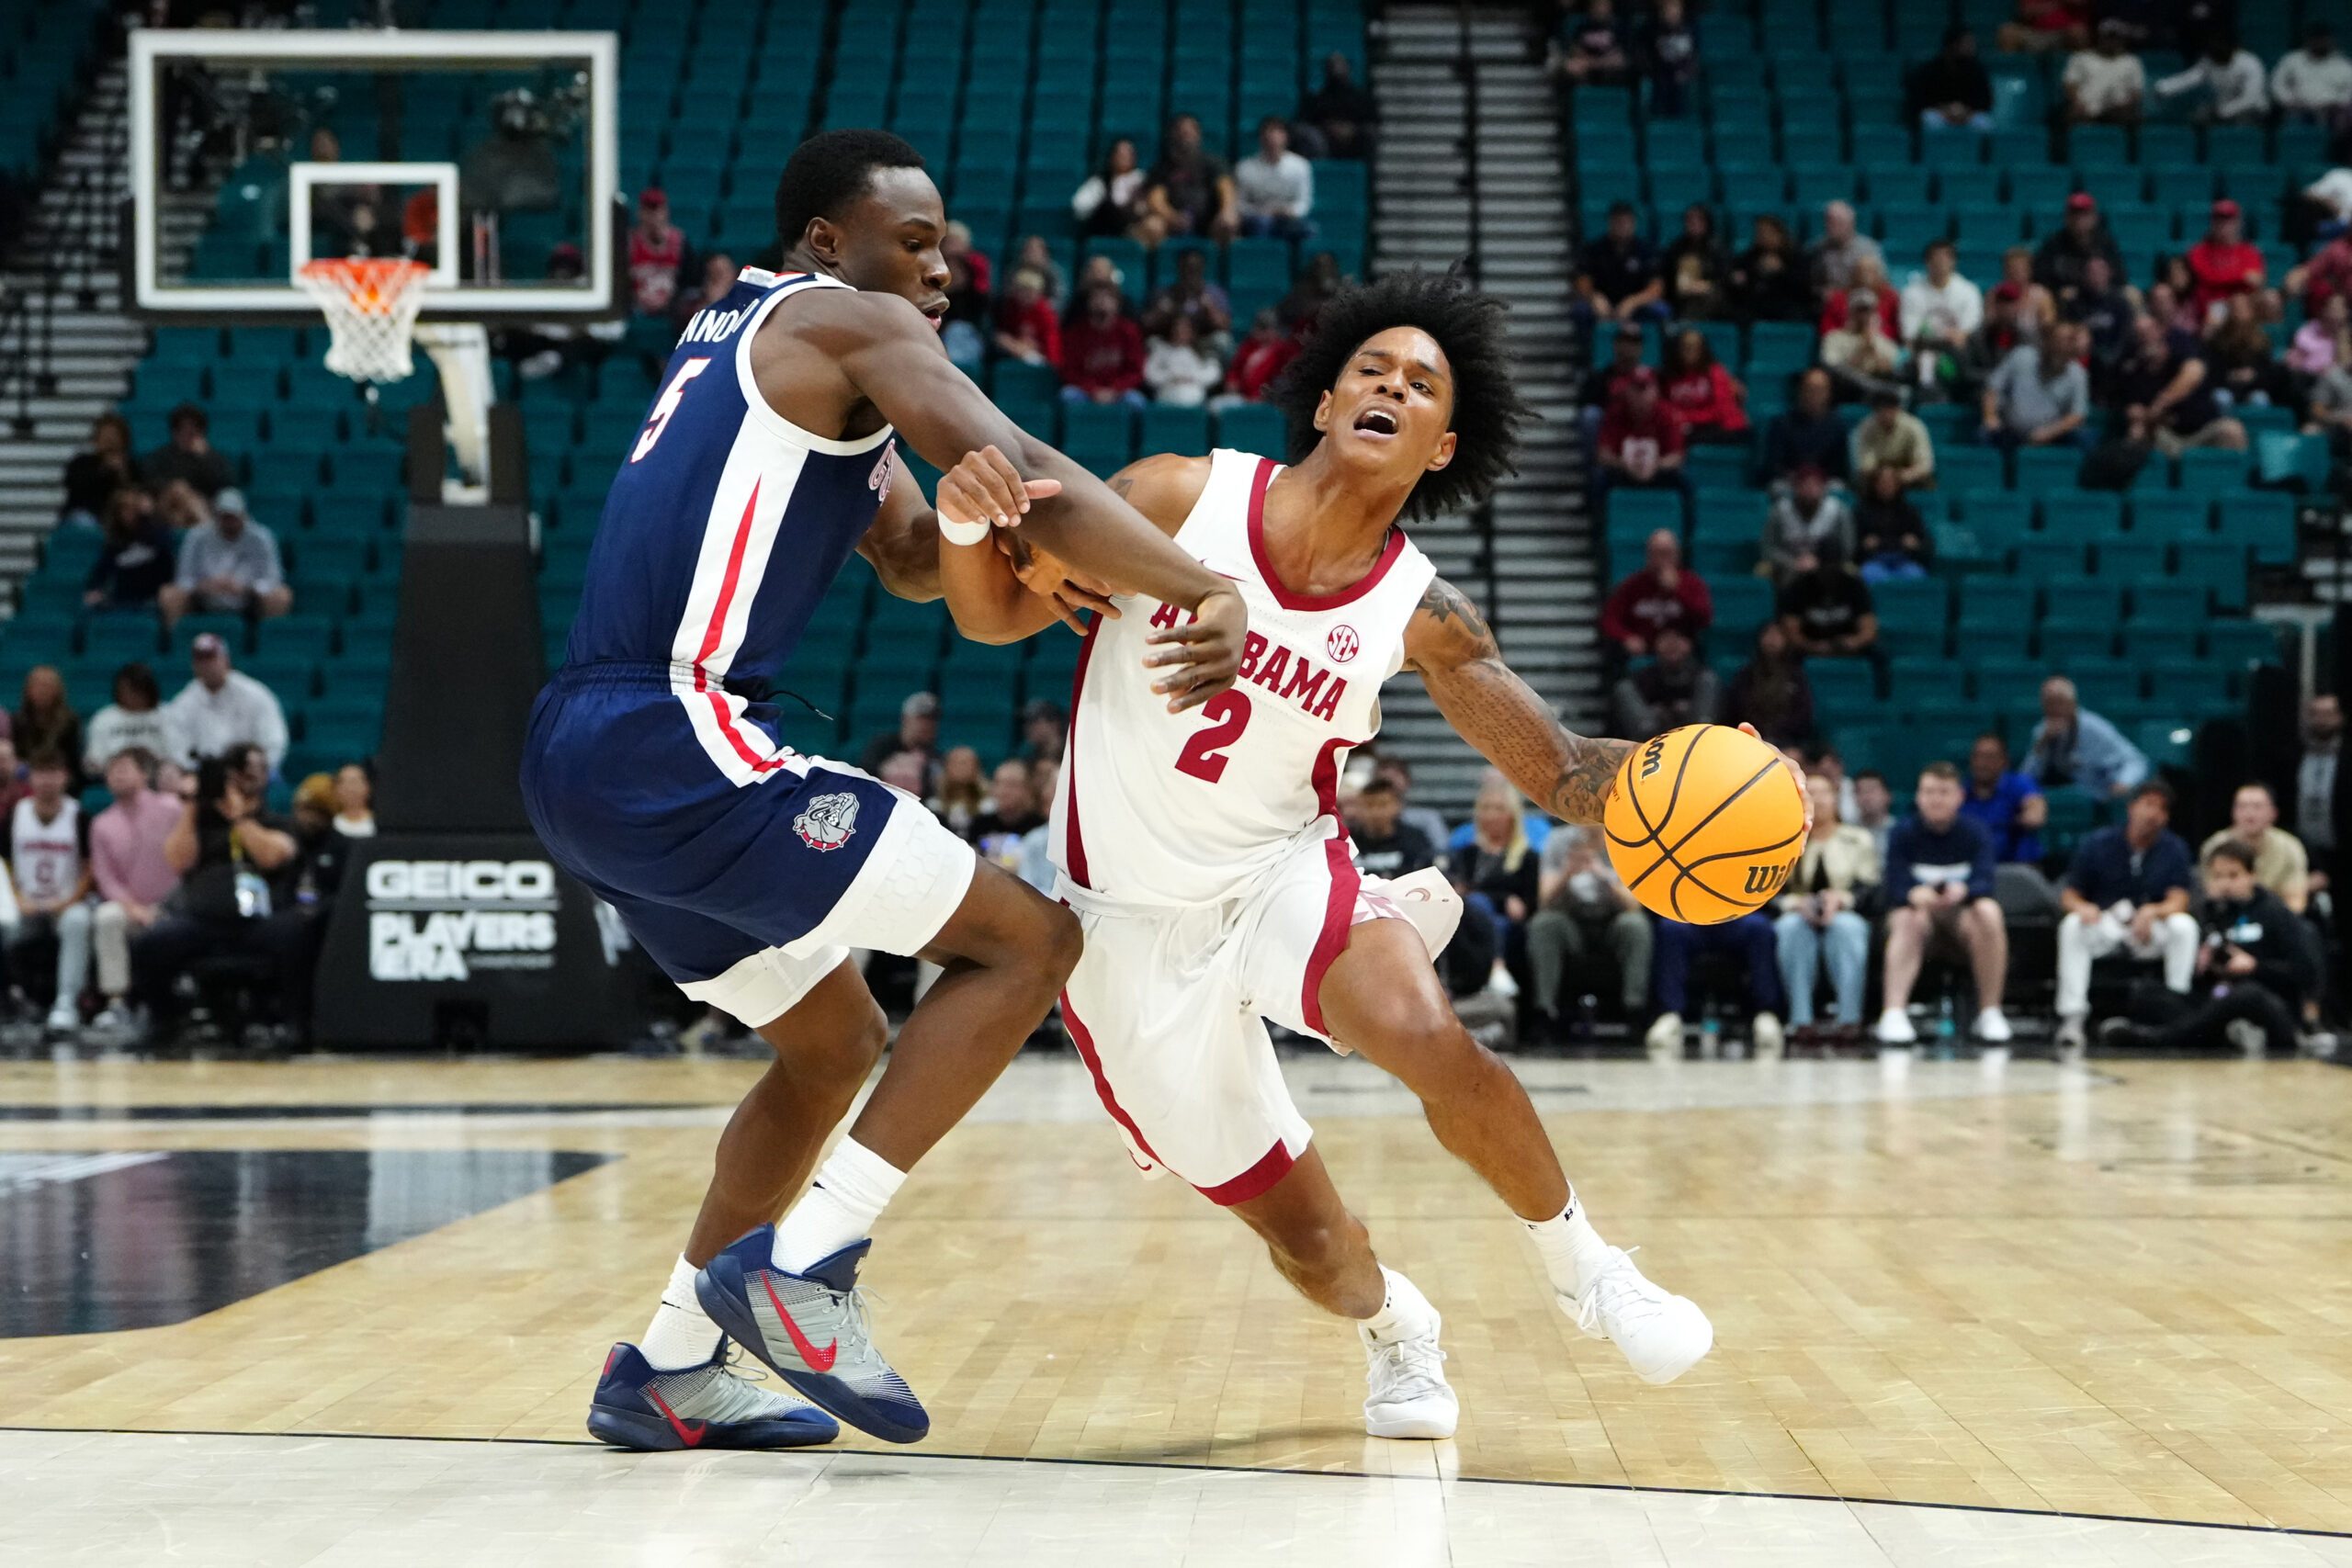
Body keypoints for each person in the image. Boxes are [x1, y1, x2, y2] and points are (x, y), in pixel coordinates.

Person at [938, 269, 1784, 1438]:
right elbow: (991, 615)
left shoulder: (1418, 613)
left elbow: (1564, 774)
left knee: (1422, 1029)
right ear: (1327, 400)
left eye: (1422, 384)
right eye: (1373, 369)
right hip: (1123, 928)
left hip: (1281, 873)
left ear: (1441, 448)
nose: (1393, 384)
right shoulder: (1177, 498)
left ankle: (1589, 1268)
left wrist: (1700, 766)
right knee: (1316, 1250)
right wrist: (964, 518)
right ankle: (1396, 1326)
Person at [518, 130, 1248, 1453]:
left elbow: (919, 558)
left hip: (586, 750)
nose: (942, 264)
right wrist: (1198, 584)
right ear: (824, 244)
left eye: (945, 242)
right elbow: (1026, 456)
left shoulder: (763, 339)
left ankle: (670, 1365)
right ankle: (807, 1265)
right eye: (910, 240)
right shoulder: (844, 325)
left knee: (834, 1044)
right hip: (674, 728)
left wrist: (983, 530)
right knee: (1032, 940)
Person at [2100, 842, 2321, 1055]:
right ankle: (2224, 1036)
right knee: (2147, 993)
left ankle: (2157, 1039)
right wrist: (2203, 964)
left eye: (2233, 876)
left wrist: (2256, 967)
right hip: (2217, 1000)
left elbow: (2306, 973)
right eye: (2218, 877)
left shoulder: (2274, 912)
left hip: (2269, 1004)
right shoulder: (2209, 913)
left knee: (2247, 994)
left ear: (2252, 875)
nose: (2225, 884)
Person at [2052, 780, 2199, 1048]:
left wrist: (2154, 911)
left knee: (2184, 926)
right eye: (2148, 805)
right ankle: (2072, 1018)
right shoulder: (2098, 843)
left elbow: (2180, 899)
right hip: (2107, 924)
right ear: (2131, 808)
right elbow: (2069, 895)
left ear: (2166, 817)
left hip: (2148, 931)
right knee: (2072, 926)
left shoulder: (2174, 848)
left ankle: (2176, 1009)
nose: (2153, 813)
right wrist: (2083, 907)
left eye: (2161, 808)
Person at [1875, 762, 2014, 1044]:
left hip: (1960, 917)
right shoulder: (1903, 834)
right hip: (1919, 919)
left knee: (1989, 911)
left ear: (1959, 797)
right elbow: (1893, 884)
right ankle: (1893, 1012)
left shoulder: (1976, 832)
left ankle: (1990, 1012)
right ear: (1918, 796)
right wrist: (1914, 894)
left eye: (1943, 792)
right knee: (1906, 917)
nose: (1935, 799)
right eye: (1928, 792)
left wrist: (1963, 891)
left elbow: (1986, 880)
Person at [86, 747, 179, 1036]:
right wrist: (134, 909)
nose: (118, 776)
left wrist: (166, 904)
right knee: (106, 917)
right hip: (130, 906)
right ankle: (116, 1003)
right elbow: (105, 877)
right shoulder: (102, 823)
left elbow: (185, 860)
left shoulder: (172, 809)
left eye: (125, 769)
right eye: (112, 771)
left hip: (173, 903)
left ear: (144, 774)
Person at [1776, 773, 1878, 1034]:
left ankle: (1849, 1020)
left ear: (1836, 799)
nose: (1818, 799)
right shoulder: (1782, 839)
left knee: (1847, 928)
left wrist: (1842, 899)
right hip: (1798, 911)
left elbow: (1871, 888)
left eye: (1824, 793)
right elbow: (1769, 888)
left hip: (1844, 910)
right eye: (1810, 792)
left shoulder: (1857, 838)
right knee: (1790, 928)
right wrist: (1795, 903)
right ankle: (1800, 1022)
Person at [1525, 823, 1651, 1035]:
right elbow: (1544, 901)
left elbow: (1634, 906)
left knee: (1636, 925)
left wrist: (1602, 874)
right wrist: (1568, 873)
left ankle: (1635, 1010)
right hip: (1570, 919)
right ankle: (1544, 1010)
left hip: (1613, 920)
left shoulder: (1628, 838)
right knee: (1544, 923)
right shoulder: (1559, 840)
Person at [5, 750, 92, 1032]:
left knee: (77, 921)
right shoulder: (15, 815)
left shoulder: (78, 815)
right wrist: (16, 899)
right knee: (6, 925)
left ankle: (67, 1002)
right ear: (30, 778)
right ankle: (11, 1001)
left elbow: (90, 869)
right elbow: (3, 863)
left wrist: (68, 901)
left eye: (53, 774)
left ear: (65, 777)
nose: (47, 781)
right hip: (25, 902)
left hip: (66, 901)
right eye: (41, 774)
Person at [1648, 907, 1785, 1059]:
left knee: (1760, 927)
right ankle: (1669, 1014)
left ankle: (1765, 1014)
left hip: (1736, 914)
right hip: (1691, 915)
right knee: (1669, 927)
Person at [156, 487, 291, 628]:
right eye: (225, 516)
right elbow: (183, 578)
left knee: (282, 596)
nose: (229, 521)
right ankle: (175, 640)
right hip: (204, 598)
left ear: (243, 514)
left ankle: (267, 641)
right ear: (216, 516)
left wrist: (247, 588)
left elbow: (273, 578)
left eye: (233, 516)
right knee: (169, 595)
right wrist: (203, 586)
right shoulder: (197, 536)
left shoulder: (261, 537)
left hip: (248, 600)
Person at [2114, 310, 2245, 454]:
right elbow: (2133, 410)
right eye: (2139, 333)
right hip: (2165, 433)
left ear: (2159, 331)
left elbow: (2194, 372)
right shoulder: (2134, 370)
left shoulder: (2180, 355)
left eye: (2148, 331)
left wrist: (2161, 403)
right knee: (2136, 431)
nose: (2145, 337)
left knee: (2232, 430)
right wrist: (2145, 415)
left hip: (2201, 430)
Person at [163, 634, 287, 773]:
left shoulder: (255, 694)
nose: (207, 665)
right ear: (194, 666)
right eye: (201, 660)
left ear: (226, 659)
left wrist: (257, 769)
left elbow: (274, 742)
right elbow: (176, 750)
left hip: (249, 772)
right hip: (204, 777)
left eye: (211, 659)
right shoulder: (183, 703)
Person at [2023, 674, 2146, 799]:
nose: (2055, 708)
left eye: (2060, 702)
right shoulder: (2041, 731)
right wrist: (2042, 744)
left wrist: (2124, 782)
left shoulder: (2094, 727)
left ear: (2072, 703)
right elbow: (2026, 778)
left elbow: (2136, 761)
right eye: (2049, 702)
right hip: (2060, 800)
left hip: (2099, 799)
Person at [1599, 527, 1713, 660]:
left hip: (1680, 653)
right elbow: (1609, 620)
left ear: (1677, 555)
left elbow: (1704, 618)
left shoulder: (1692, 583)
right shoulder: (1632, 584)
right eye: (1657, 554)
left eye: (1667, 553)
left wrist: (1677, 590)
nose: (1663, 560)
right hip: (1644, 650)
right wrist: (1627, 637)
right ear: (1648, 556)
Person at [2199, 783, 2309, 914]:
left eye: (2257, 807)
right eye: (2242, 807)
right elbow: (2209, 894)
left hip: (2275, 919)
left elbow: (2296, 901)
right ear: (2233, 812)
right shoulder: (2214, 846)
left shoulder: (2290, 847)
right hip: (2227, 917)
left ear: (2273, 813)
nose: (2249, 814)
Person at [1982, 322, 2091, 448]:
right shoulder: (2022, 356)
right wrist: (1990, 417)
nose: (2062, 345)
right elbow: (1992, 388)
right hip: (2008, 429)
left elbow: (2077, 415)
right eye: (2058, 339)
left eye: (2068, 340)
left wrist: (2047, 433)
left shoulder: (2078, 374)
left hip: (2051, 435)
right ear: (2048, 340)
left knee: (2085, 437)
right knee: (1985, 434)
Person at [1592, 368, 1689, 502]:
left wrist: (1654, 466)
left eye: (1645, 389)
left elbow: (1677, 456)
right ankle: (1599, 521)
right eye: (1635, 389)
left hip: (1656, 469)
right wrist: (1625, 465)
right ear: (1627, 391)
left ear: (1656, 391)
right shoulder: (1615, 412)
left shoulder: (1667, 414)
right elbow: (1603, 454)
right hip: (1624, 469)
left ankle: (1689, 522)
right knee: (1599, 477)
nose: (1640, 396)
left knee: (1684, 482)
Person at [1722, 620, 1815, 751]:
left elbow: (1803, 716)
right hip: (1748, 740)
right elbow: (1736, 709)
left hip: (1788, 743)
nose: (1772, 639)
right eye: (1768, 634)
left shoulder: (1797, 676)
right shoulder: (1745, 675)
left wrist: (1779, 733)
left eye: (1777, 635)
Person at [1899, 241, 1983, 386]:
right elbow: (1910, 335)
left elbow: (1966, 333)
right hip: (1923, 349)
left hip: (1958, 352)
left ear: (1953, 262)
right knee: (1923, 360)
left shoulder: (1968, 291)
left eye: (1945, 258)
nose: (1940, 263)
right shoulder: (1911, 293)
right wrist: (1946, 334)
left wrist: (1938, 334)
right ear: (1927, 262)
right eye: (1935, 258)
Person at [1146, 114, 1238, 243]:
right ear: (1173, 135)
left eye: (1190, 132)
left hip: (1210, 221)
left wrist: (1226, 210)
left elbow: (1225, 187)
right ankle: (1157, 262)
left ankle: (1222, 262)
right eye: (1182, 132)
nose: (1186, 136)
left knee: (1229, 221)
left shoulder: (1212, 163)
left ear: (1198, 134)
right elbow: (1156, 198)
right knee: (1152, 225)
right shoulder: (1162, 167)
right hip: (1173, 221)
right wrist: (1172, 217)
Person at [1610, 626, 1716, 737]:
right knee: (1624, 688)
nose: (1671, 644)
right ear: (1655, 644)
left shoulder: (1703, 677)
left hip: (1695, 738)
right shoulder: (1643, 678)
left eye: (1677, 638)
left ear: (1689, 644)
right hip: (1651, 741)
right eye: (1665, 639)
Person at [83, 486, 175, 611]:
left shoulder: (157, 532)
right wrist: (95, 590)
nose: (129, 514)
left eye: (133, 508)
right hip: (122, 597)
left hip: (151, 596)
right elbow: (100, 572)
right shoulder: (115, 544)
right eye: (124, 509)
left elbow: (166, 555)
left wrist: (147, 516)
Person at [1575, 202, 1666, 328]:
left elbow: (1656, 288)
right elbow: (1582, 281)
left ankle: (1650, 346)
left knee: (1660, 310)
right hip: (1603, 305)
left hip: (1635, 305)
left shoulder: (1646, 251)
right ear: (1610, 223)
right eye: (1618, 222)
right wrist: (1594, 297)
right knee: (1581, 310)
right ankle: (1588, 347)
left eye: (1626, 222)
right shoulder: (1594, 250)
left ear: (1634, 223)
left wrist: (1633, 302)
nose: (1623, 226)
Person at [1961, 731, 2046, 864]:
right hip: (1973, 867)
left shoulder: (2018, 784)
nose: (1983, 763)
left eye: (1990, 757)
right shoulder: (1960, 792)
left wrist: (2025, 817)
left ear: (2004, 761)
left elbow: (2036, 811)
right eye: (1978, 756)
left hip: (2016, 868)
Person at [1059, 282, 1148, 407]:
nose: (1101, 302)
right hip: (1085, 391)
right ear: (1088, 303)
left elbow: (1136, 370)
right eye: (1096, 297)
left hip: (1119, 392)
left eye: (1107, 298)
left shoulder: (1129, 331)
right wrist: (1092, 390)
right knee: (1067, 395)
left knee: (1136, 401)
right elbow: (1070, 370)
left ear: (1117, 303)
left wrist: (1115, 389)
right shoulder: (1076, 333)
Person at [1761, 465, 1853, 582]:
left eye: (1815, 485)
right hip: (1788, 566)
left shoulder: (1838, 511)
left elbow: (1847, 548)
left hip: (1828, 564)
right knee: (1766, 572)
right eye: (1805, 485)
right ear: (1796, 487)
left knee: (1847, 572)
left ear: (1824, 488)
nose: (1810, 489)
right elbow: (1768, 547)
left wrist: (1818, 560)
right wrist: (1792, 562)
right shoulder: (1779, 511)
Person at [1776, 559, 1878, 665]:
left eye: (1833, 565)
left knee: (1878, 652)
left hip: (1850, 649)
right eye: (1826, 565)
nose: (1829, 571)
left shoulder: (1854, 585)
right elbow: (1791, 630)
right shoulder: (1800, 586)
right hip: (1809, 647)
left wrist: (1854, 642)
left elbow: (1869, 629)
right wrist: (1812, 646)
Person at [2155, 30, 2268, 124]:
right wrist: (2164, 87)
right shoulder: (2209, 61)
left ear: (2234, 49)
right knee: (2197, 116)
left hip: (2253, 111)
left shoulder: (2250, 63)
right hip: (2223, 110)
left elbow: (2251, 98)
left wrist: (2224, 111)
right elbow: (2190, 78)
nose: (2217, 58)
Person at [82, 663, 172, 780]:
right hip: (115, 779)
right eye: (125, 690)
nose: (130, 696)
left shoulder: (168, 714)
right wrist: (121, 759)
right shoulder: (104, 718)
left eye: (135, 690)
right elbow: (93, 763)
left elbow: (178, 757)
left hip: (159, 779)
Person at [2290, 694, 2342, 895]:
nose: (2321, 720)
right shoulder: (2293, 755)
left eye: (2328, 714)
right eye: (2315, 714)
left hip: (2341, 847)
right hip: (2303, 847)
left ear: (2340, 717)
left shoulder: (2346, 756)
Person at [1761, 369, 1850, 485]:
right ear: (1800, 391)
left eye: (1820, 390)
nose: (1814, 395)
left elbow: (1839, 469)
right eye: (1810, 389)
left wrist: (1816, 480)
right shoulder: (1782, 424)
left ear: (1828, 394)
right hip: (1790, 484)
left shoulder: (1837, 427)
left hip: (1823, 486)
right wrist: (1800, 479)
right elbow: (1773, 465)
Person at [1233, 116, 1314, 240]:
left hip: (1288, 218)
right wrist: (1261, 211)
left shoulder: (1301, 166)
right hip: (1257, 218)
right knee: (1262, 223)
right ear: (1261, 138)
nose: (1273, 138)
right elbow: (1240, 204)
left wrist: (1291, 211)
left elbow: (1304, 202)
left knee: (1308, 229)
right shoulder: (1245, 167)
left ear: (1286, 137)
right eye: (1268, 133)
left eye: (1278, 132)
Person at [2185, 200, 2267, 322]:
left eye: (2229, 220)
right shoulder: (2199, 251)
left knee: (2268, 299)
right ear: (2212, 223)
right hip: (2211, 306)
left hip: (2244, 304)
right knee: (2222, 311)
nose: (2224, 225)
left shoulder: (2250, 252)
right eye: (2219, 220)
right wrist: (2241, 277)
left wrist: (2229, 279)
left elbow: (2256, 281)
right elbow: (2208, 277)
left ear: (2238, 223)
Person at [1661, 328, 1747, 443]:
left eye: (1697, 347)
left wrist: (1685, 417)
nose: (1691, 351)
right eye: (1686, 347)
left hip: (1724, 428)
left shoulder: (1716, 372)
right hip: (1689, 426)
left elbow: (1720, 411)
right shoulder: (1669, 376)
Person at [1143, 246, 1234, 352]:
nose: (1190, 273)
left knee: (1223, 341)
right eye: (1186, 268)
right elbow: (1146, 324)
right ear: (1179, 269)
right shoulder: (1164, 293)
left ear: (1202, 269)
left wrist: (1210, 308)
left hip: (1203, 342)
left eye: (1195, 268)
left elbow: (1225, 326)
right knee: (1151, 342)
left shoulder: (1215, 293)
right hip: (1171, 342)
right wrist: (1162, 311)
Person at [1854, 462, 1932, 582]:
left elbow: (1921, 542)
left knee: (1916, 576)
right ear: (1875, 485)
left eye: (1891, 482)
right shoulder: (1862, 511)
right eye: (1882, 482)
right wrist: (1865, 546)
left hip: (1904, 561)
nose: (1887, 486)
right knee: (1870, 575)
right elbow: (1856, 545)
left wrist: (1915, 545)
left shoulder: (1910, 511)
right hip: (1874, 561)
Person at [1072, 136, 1159, 243]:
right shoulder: (1100, 183)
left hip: (1137, 229)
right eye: (1121, 154)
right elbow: (1079, 207)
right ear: (1111, 157)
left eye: (1128, 154)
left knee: (1154, 225)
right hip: (1109, 234)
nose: (1125, 158)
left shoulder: (1141, 179)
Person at [138, 402, 233, 498]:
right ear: (174, 433)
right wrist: (173, 486)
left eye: (194, 430)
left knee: (231, 498)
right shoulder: (161, 456)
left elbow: (227, 483)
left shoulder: (213, 457)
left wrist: (205, 458)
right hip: (171, 502)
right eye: (183, 430)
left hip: (205, 501)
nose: (188, 435)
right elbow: (149, 480)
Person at [1295, 51, 1379, 161]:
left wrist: (1351, 130)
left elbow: (1373, 121)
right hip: (1325, 142)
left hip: (1353, 142)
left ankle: (1368, 173)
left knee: (1370, 133)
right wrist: (1328, 128)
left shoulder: (1361, 97)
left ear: (1348, 69)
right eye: (1333, 66)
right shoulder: (1317, 98)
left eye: (1340, 66)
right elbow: (1304, 121)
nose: (1337, 70)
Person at [1911, 25, 1995, 132]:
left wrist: (1966, 111)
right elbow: (1921, 101)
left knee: (1984, 122)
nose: (1972, 47)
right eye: (1967, 43)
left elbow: (1986, 101)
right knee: (1928, 118)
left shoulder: (1977, 70)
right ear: (1953, 45)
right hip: (1940, 114)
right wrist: (1945, 110)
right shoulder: (1930, 69)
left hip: (1968, 115)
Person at [15, 667, 84, 795]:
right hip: (26, 777)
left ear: (58, 691)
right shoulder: (18, 721)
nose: (42, 691)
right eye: (37, 686)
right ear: (28, 690)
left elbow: (73, 760)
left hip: (60, 777)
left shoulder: (70, 721)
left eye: (47, 687)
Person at [1731, 214, 1811, 323]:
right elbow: (1737, 277)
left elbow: (1803, 286)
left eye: (1767, 232)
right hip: (1758, 305)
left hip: (1786, 304)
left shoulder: (1795, 256)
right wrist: (1739, 278)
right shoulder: (1751, 256)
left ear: (1779, 234)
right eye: (1759, 233)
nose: (1763, 236)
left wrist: (1781, 271)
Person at [60, 411, 133, 529]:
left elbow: (133, 490)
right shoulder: (81, 462)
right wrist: (104, 469)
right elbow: (75, 486)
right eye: (105, 436)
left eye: (114, 436)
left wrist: (121, 473)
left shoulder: (131, 465)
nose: (110, 442)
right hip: (87, 513)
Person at [2063, 20, 2146, 123]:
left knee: (2132, 117)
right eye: (2108, 37)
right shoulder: (2080, 58)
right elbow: (2070, 84)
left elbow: (2136, 92)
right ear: (2100, 37)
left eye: (2116, 38)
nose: (2112, 41)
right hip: (2086, 109)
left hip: (2117, 110)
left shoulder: (2132, 62)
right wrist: (2077, 103)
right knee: (2070, 115)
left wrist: (2126, 105)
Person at [626, 186, 691, 319]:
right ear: (640, 212)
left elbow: (690, 278)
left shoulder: (680, 241)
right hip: (636, 308)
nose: (653, 216)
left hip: (672, 309)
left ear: (665, 211)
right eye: (648, 210)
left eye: (657, 210)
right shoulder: (628, 242)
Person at [1660, 204, 1733, 321]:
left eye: (1699, 220)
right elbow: (1667, 276)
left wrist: (1705, 285)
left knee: (1711, 296)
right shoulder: (1677, 248)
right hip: (1681, 297)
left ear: (1707, 223)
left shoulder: (1718, 248)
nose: (1694, 224)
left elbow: (1726, 277)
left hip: (1712, 298)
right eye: (1690, 220)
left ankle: (1686, 325)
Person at [1851, 389, 1936, 490]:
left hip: (1908, 476)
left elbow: (1925, 466)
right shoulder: (1866, 428)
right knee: (1860, 482)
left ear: (1897, 409)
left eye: (1889, 409)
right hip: (1878, 478)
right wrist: (1884, 476)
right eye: (1881, 410)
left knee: (1927, 481)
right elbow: (1865, 466)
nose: (1886, 414)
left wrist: (1899, 476)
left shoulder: (1914, 427)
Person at [857, 691, 943, 784]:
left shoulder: (934, 756)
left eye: (931, 720)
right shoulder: (882, 746)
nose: (926, 725)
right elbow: (863, 775)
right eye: (921, 719)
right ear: (905, 719)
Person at [1219, 308, 1300, 406]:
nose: (1258, 333)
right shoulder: (1248, 347)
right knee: (1216, 407)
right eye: (1258, 328)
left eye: (1264, 329)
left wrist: (1265, 394)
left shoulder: (1284, 350)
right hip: (1243, 397)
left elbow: (1285, 378)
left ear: (1274, 330)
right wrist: (1232, 380)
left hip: (1268, 400)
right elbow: (1236, 369)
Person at [2274, 24, 2352, 120]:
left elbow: (2348, 92)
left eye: (2323, 39)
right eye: (2316, 39)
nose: (2319, 42)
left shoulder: (2344, 65)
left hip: (2331, 113)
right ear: (2308, 40)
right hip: (2296, 110)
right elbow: (2278, 84)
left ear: (2331, 41)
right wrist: (2289, 102)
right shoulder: (2292, 60)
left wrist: (2335, 105)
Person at [1144, 314, 1223, 407]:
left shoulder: (1203, 351)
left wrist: (1191, 377)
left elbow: (1214, 373)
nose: (1180, 332)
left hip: (1195, 394)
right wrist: (1172, 377)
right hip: (1167, 392)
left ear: (1193, 331)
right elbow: (1149, 374)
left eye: (1185, 329)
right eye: (1177, 329)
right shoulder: (1161, 349)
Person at [1808, 201, 1884, 298]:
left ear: (1851, 223)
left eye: (1839, 222)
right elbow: (1810, 285)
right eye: (1829, 221)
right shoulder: (1815, 249)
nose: (1832, 227)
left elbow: (1879, 284)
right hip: (1825, 304)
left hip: (1857, 302)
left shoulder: (1869, 249)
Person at [991, 267, 1061, 369]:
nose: (1026, 295)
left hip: (1041, 358)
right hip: (1013, 352)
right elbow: (1003, 334)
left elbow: (1052, 348)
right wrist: (1015, 345)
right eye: (1022, 290)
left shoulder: (1046, 313)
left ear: (1038, 292)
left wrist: (1032, 347)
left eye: (1030, 291)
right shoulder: (1011, 307)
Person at [1554, 0, 1632, 85]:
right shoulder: (1582, 26)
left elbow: (1620, 51)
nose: (1600, 10)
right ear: (1591, 8)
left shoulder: (1617, 27)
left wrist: (1601, 62)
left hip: (1609, 61)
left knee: (1620, 61)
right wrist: (1590, 61)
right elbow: (1575, 49)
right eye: (1597, 6)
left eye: (1604, 6)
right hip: (1587, 61)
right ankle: (1581, 92)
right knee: (1570, 66)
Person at [1641, 0, 1699, 116]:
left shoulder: (1691, 29)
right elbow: (1647, 58)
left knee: (1685, 89)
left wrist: (1685, 72)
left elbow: (1694, 56)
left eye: (1675, 9)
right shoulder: (1651, 30)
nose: (1672, 13)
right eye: (1668, 10)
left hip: (1683, 77)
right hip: (1659, 77)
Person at [331, 762, 376, 837]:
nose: (351, 789)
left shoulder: (380, 824)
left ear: (368, 787)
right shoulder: (330, 825)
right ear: (336, 789)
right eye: (344, 783)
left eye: (355, 782)